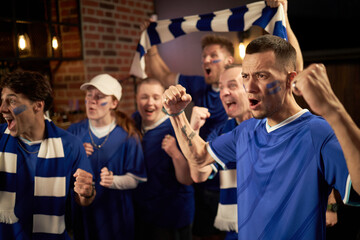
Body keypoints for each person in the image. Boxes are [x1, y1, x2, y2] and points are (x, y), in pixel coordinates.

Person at [162, 34, 360, 239]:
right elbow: (199, 157)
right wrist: (176, 115)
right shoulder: (245, 130)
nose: (250, 87)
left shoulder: (317, 131)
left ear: (289, 79)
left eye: (262, 76)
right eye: (246, 76)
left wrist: (334, 110)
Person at [0, 70, 95, 239]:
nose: (2, 108)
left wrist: (86, 192)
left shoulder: (70, 145)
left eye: (12, 101)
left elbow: (84, 199)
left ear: (38, 104)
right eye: (2, 101)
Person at [67, 74, 147, 240]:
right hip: (84, 213)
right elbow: (60, 173)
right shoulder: (74, 132)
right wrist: (73, 156)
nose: (92, 101)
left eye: (100, 97)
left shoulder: (128, 136)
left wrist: (114, 181)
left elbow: (136, 178)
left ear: (114, 103)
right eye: (89, 95)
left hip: (115, 214)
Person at [189, 64, 252, 240]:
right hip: (236, 228)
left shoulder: (272, 124)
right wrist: (193, 130)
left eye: (232, 85)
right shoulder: (223, 131)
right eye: (221, 87)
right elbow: (199, 174)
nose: (223, 92)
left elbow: (310, 162)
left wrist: (330, 205)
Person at [132, 78, 194, 240]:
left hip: (172, 215)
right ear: (136, 98)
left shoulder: (176, 127)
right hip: (144, 213)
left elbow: (187, 178)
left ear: (164, 100)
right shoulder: (133, 123)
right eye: (144, 97)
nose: (149, 102)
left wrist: (175, 154)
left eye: (155, 97)